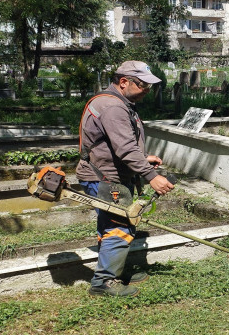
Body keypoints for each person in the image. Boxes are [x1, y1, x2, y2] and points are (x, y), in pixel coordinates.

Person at [77, 60, 174, 297]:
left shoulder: (117, 102)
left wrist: (143, 157)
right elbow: (125, 149)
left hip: (109, 175)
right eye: (143, 86)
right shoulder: (113, 107)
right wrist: (151, 176)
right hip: (106, 179)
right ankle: (103, 282)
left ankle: (116, 269)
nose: (147, 91)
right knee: (118, 227)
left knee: (112, 224)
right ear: (124, 82)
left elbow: (118, 144)